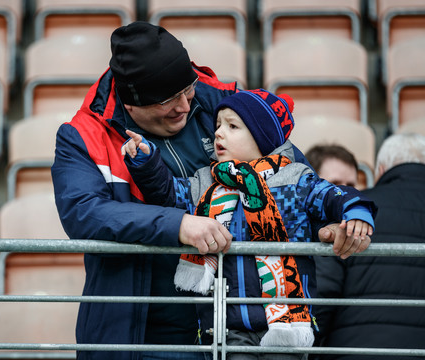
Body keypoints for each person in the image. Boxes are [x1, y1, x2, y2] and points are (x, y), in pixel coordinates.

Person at [51, 21, 371, 360]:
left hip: (232, 325)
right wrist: (179, 224)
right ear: (130, 105)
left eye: (187, 90)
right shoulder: (82, 135)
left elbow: (290, 174)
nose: (185, 106)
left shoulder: (224, 100)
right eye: (167, 100)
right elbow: (84, 213)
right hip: (142, 332)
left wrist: (325, 220)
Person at [122, 89, 377, 359]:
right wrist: (147, 162)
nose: (219, 133)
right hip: (227, 326)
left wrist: (357, 211)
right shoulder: (205, 181)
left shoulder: (295, 179)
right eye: (218, 125)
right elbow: (169, 194)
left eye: (232, 126)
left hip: (287, 322)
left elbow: (332, 196)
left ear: (261, 137)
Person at [313, 133, 425, 360]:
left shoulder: (352, 215)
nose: (343, 193)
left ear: (380, 171)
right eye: (334, 185)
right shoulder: (352, 213)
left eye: (351, 185)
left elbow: (322, 295)